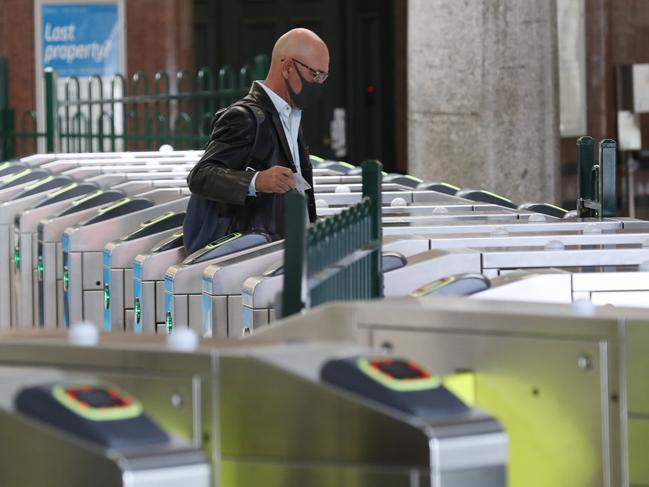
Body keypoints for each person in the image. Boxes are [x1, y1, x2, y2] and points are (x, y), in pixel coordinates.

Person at [182, 28, 329, 253]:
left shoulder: (291, 115)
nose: (319, 84)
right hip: (250, 255)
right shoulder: (244, 117)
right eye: (314, 75)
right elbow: (201, 176)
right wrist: (256, 181)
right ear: (289, 67)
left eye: (324, 76)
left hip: (283, 250)